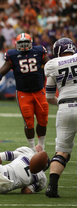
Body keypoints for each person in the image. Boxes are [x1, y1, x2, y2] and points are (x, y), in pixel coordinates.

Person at [0, 33, 50, 152]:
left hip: (39, 91)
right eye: (21, 44)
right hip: (23, 93)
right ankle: (31, 149)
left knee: (43, 119)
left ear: (31, 43)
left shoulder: (39, 51)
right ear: (16, 44)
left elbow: (49, 64)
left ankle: (41, 146)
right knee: (28, 121)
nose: (24, 46)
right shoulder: (12, 55)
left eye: (26, 43)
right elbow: (5, 67)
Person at [44, 37, 77, 198]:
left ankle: (52, 187)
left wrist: (63, 103)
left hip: (65, 107)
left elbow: (49, 97)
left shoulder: (52, 65)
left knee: (62, 151)